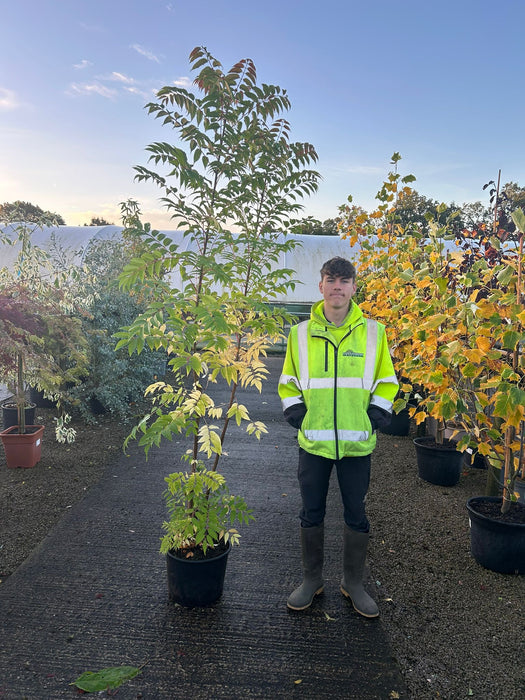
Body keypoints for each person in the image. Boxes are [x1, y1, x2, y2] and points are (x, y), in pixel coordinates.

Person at [278, 256, 398, 618]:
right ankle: (311, 580)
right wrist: (296, 412)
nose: (337, 287)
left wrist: (376, 414)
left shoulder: (374, 332)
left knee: (356, 513)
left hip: (356, 444)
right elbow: (288, 380)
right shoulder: (299, 334)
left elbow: (387, 381)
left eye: (344, 281)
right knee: (310, 512)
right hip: (313, 443)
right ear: (321, 286)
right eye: (331, 280)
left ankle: (353, 583)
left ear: (353, 288)